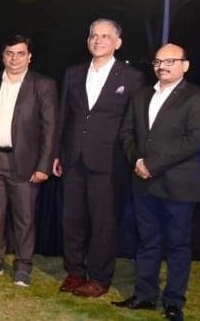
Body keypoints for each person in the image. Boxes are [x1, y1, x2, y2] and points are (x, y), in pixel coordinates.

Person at [114, 43, 200, 321]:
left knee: (177, 246)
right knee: (147, 242)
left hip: (178, 186)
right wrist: (137, 161)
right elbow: (127, 133)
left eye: (170, 61)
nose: (163, 66)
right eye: (158, 61)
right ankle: (144, 295)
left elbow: (194, 140)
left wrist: (152, 165)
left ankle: (173, 302)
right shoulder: (141, 95)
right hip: (143, 183)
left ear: (185, 65)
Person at [55, 18, 144, 297]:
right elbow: (63, 116)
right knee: (72, 219)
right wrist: (57, 153)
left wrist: (133, 157)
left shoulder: (131, 77)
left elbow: (133, 123)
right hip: (73, 158)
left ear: (118, 42)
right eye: (94, 35)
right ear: (88, 40)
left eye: (105, 36)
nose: (98, 40)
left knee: (103, 223)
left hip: (109, 162)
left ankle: (99, 277)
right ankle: (74, 271)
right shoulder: (73, 73)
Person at [0, 35, 57, 287]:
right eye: (9, 53)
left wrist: (43, 165)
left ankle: (23, 266)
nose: (14, 58)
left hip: (25, 161)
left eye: (20, 53)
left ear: (29, 57)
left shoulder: (43, 84)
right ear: (3, 56)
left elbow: (50, 128)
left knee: (24, 217)